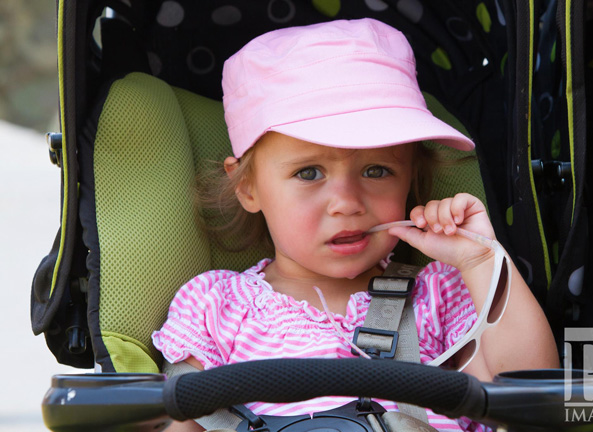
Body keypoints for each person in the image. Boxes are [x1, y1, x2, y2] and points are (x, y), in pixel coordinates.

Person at [152, 18, 559, 432]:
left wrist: (482, 261)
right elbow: (186, 422)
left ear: (411, 182)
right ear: (249, 187)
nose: (347, 204)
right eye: (309, 173)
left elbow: (532, 397)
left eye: (377, 171)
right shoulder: (216, 305)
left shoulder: (438, 296)